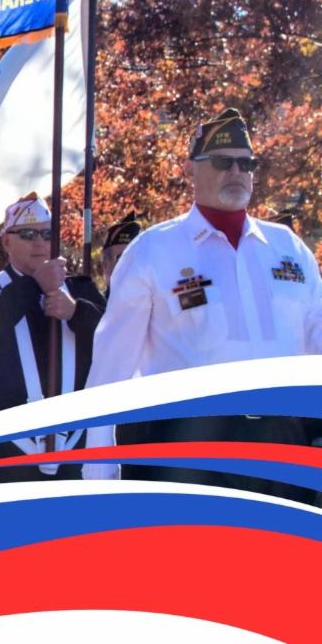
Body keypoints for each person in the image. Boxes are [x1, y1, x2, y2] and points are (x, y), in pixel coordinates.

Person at [83, 109, 322, 501]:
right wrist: (100, 466)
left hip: (284, 445)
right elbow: (111, 368)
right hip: (189, 447)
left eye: (246, 163)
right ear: (192, 170)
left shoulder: (288, 248)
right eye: (223, 162)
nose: (236, 172)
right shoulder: (154, 250)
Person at [0, 193, 105, 482]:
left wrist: (76, 312)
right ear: (6, 241)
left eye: (47, 234)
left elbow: (115, 338)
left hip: (74, 450)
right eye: (27, 233)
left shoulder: (80, 289)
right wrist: (34, 286)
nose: (39, 242)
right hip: (5, 453)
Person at [101, 212, 143, 297]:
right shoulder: (96, 308)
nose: (133, 266)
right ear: (106, 265)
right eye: (123, 259)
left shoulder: (158, 306)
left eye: (139, 259)